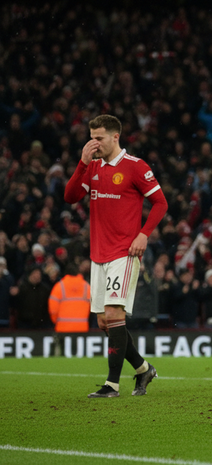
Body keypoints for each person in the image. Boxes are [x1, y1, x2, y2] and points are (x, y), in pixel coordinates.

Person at [63, 114, 166, 398]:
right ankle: (143, 369)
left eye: (99, 138)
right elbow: (70, 197)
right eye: (91, 138)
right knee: (104, 322)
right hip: (98, 254)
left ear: (115, 137)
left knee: (113, 314)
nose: (94, 143)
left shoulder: (135, 166)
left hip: (124, 252)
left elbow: (160, 202)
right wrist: (82, 163)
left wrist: (144, 234)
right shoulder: (93, 167)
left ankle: (111, 385)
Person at [48, 262, 91, 333]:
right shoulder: (87, 287)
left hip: (62, 328)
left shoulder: (59, 286)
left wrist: (56, 321)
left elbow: (53, 309)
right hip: (82, 328)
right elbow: (92, 307)